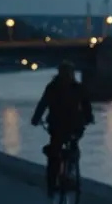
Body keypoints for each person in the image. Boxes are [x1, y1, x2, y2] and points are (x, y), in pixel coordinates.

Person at [31, 61, 94, 197]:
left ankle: (52, 184)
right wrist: (89, 119)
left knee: (55, 152)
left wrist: (36, 119)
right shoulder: (77, 87)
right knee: (73, 147)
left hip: (58, 125)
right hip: (74, 125)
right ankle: (70, 172)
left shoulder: (52, 87)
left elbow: (43, 104)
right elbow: (86, 105)